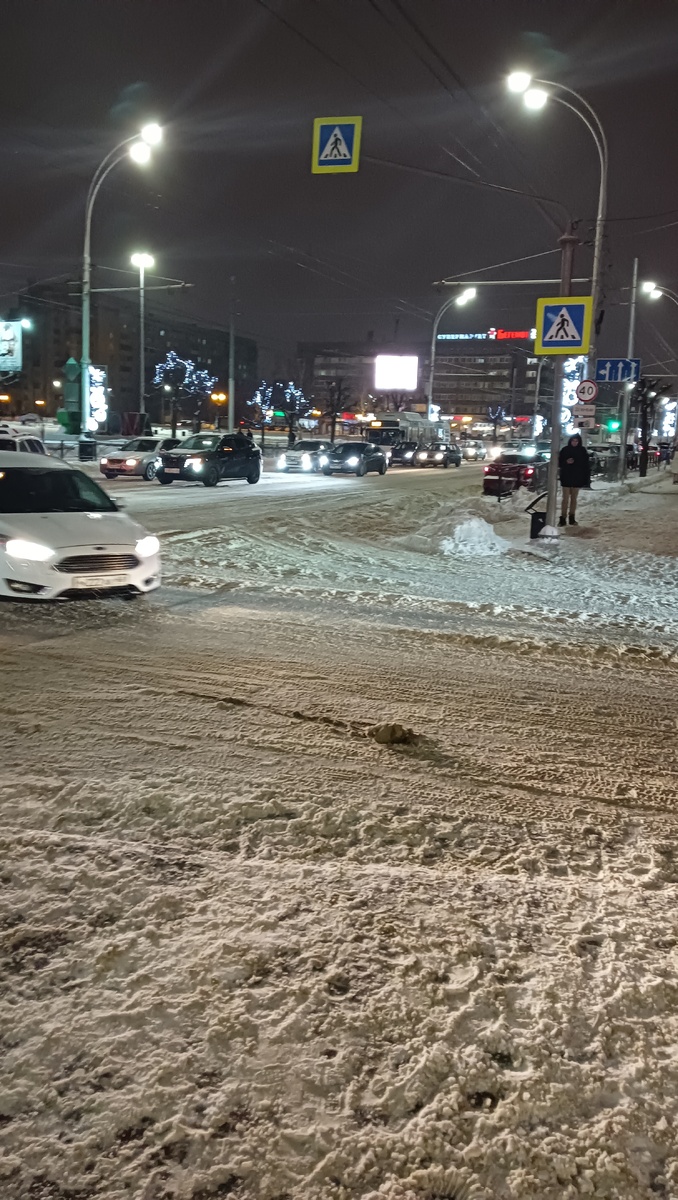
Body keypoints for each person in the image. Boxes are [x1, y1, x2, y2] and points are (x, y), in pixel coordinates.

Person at [558, 433, 591, 526]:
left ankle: (572, 517)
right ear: (570, 441)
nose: (574, 443)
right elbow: (559, 462)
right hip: (566, 477)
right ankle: (563, 517)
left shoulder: (582, 451)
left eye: (576, 441)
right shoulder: (565, 450)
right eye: (573, 441)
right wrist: (566, 462)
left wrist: (585, 478)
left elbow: (585, 465)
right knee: (565, 499)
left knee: (574, 499)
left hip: (577, 478)